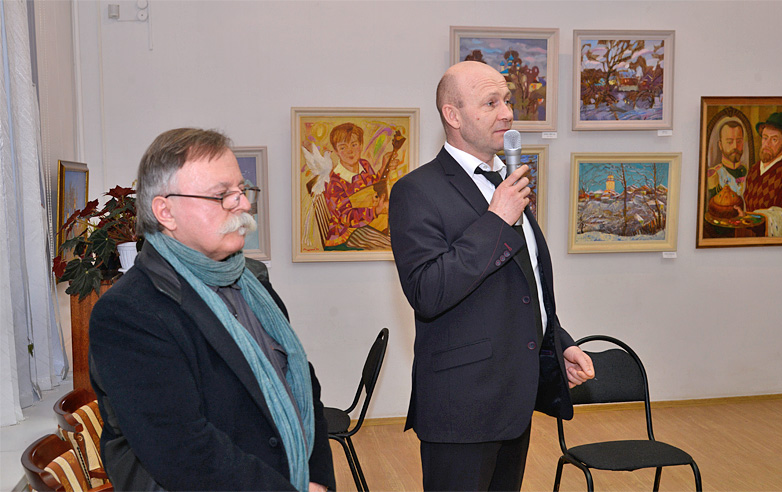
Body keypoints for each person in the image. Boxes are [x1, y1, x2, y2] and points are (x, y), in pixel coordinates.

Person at [89, 128, 335, 492]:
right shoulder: (129, 313)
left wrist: (319, 479)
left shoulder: (254, 281)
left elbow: (302, 386)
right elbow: (185, 453)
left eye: (242, 190)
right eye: (222, 196)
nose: (244, 204)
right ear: (165, 212)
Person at [388, 61, 595, 491]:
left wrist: (558, 343)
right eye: (491, 103)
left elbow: (524, 284)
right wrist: (496, 220)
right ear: (453, 115)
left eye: (507, 101)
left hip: (513, 400)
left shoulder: (507, 180)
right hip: (461, 407)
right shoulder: (416, 191)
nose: (507, 113)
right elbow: (427, 290)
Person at [322, 122, 397, 250]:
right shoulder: (333, 182)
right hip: (346, 233)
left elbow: (373, 187)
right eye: (343, 148)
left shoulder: (364, 165)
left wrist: (384, 168)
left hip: (370, 224)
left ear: (361, 145)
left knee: (397, 235)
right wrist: (376, 211)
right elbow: (345, 217)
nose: (350, 151)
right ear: (336, 152)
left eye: (354, 144)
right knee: (390, 246)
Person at [743, 112, 782, 236]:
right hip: (748, 236)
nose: (767, 144)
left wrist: (751, 219)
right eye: (765, 137)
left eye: (774, 139)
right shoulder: (753, 170)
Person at [706, 120, 747, 201]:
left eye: (739, 141)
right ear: (720, 145)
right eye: (729, 142)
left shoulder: (749, 172)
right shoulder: (714, 176)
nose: (735, 146)